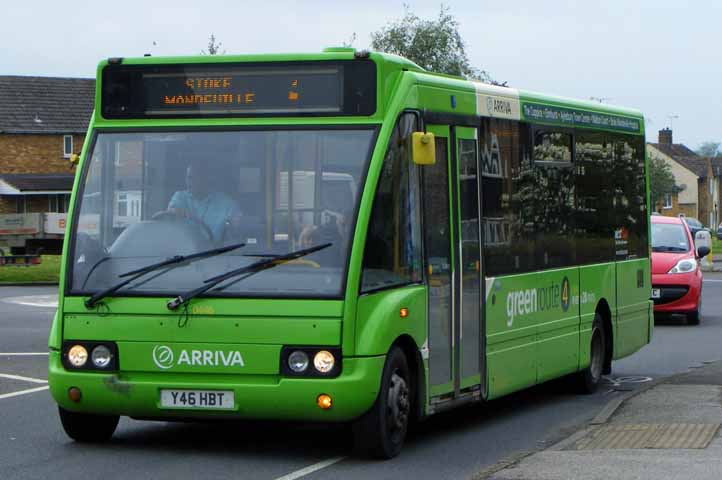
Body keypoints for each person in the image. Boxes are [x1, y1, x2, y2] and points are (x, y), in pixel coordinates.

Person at [154, 158, 240, 241]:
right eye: (189, 177)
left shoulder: (227, 204)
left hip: (217, 253)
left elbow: (237, 230)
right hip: (184, 254)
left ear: (207, 178)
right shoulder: (180, 197)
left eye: (196, 177)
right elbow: (171, 214)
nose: (190, 181)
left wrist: (235, 224)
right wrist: (175, 213)